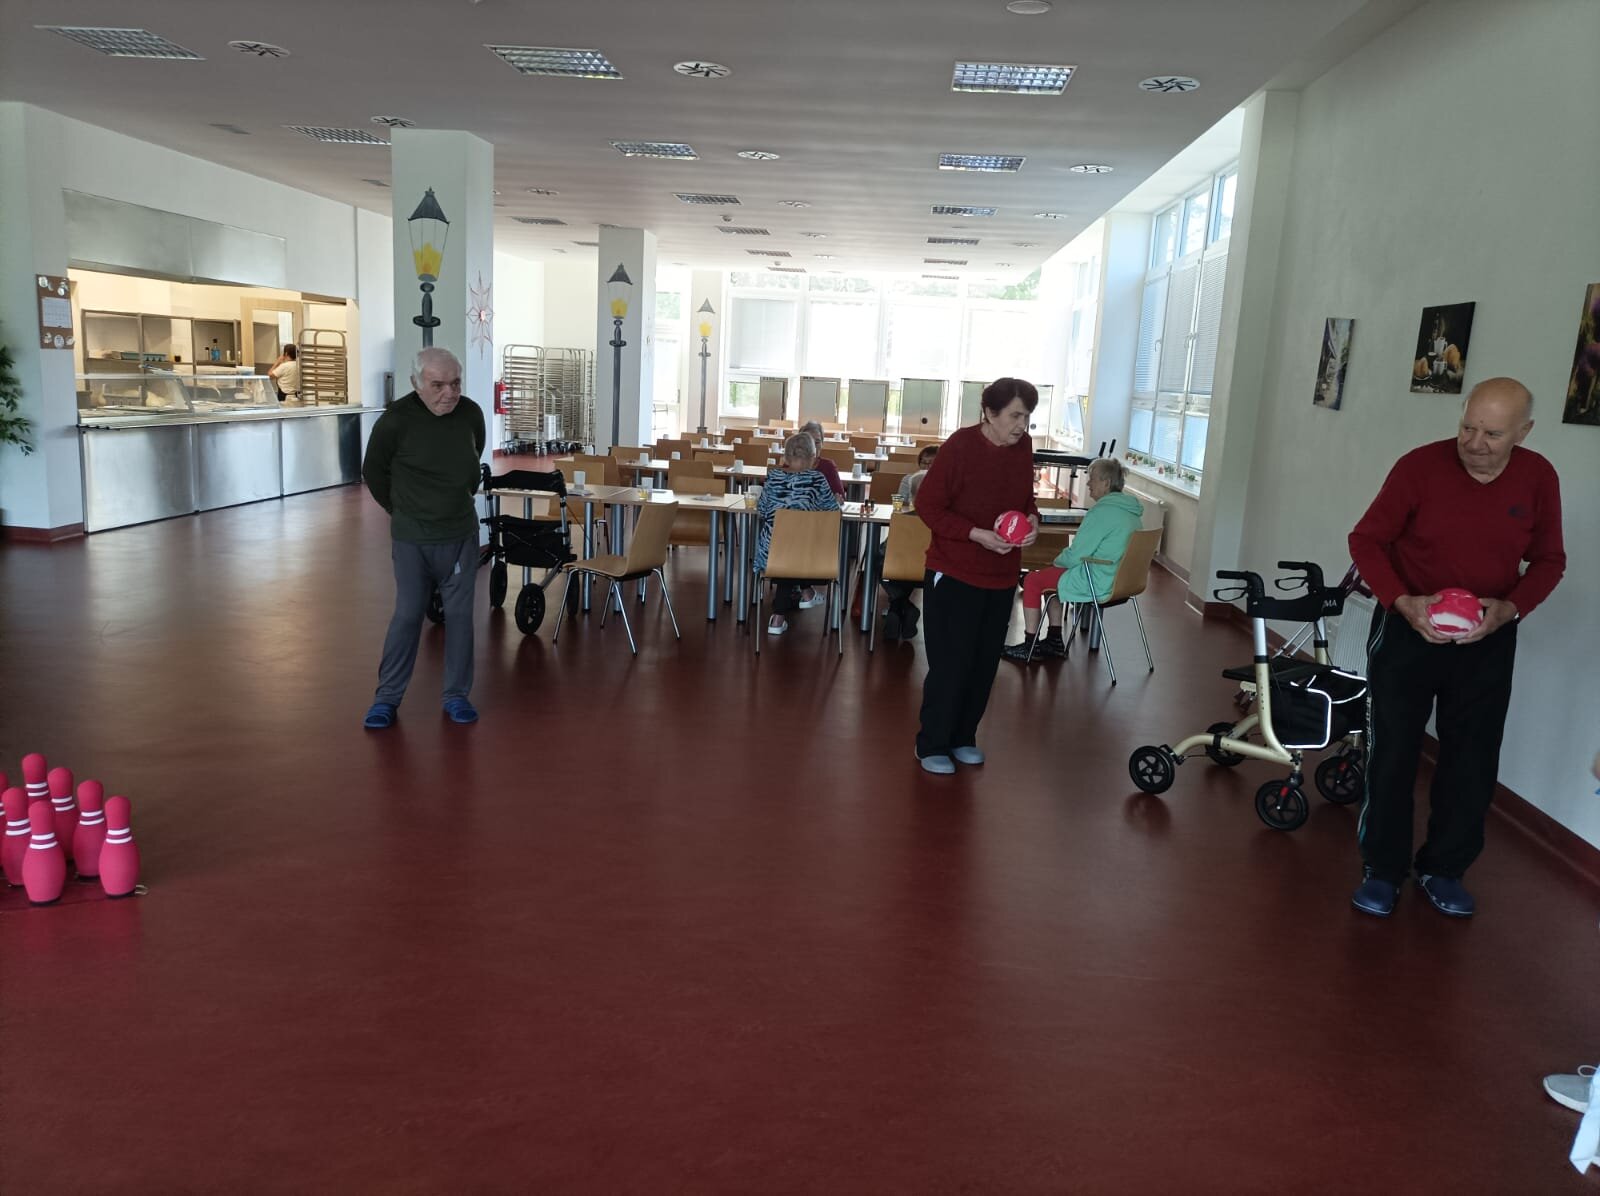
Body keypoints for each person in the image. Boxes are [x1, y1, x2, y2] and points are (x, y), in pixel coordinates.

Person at [1347, 376, 1565, 917]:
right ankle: (1382, 869)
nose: (1474, 443)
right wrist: (1402, 602)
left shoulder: (1538, 477)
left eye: (1492, 434)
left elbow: (1549, 560)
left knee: (1472, 759)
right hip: (1407, 629)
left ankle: (1444, 869)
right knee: (1391, 752)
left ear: (1523, 432)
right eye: (1468, 427)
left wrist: (1510, 609)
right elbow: (1366, 540)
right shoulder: (1419, 467)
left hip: (1487, 638)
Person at [913, 378, 1040, 775]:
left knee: (983, 664)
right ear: (989, 412)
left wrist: (1032, 519)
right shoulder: (960, 447)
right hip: (954, 571)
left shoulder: (1023, 448)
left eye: (1027, 417)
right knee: (951, 663)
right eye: (1015, 416)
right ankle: (932, 743)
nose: (1022, 425)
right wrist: (975, 534)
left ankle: (963, 737)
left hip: (1001, 575)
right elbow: (928, 505)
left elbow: (1026, 499)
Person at [360, 347, 487, 728]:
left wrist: (454, 498)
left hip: (460, 533)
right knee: (408, 614)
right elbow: (374, 471)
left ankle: (456, 695)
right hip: (412, 538)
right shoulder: (396, 421)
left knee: (460, 617)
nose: (449, 393)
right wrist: (401, 510)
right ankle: (386, 698)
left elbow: (473, 459)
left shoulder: (471, 414)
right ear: (416, 383)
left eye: (455, 384)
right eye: (438, 385)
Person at [1003, 457, 1144, 663]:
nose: (1088, 483)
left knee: (1033, 580)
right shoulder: (1132, 512)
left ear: (1106, 483)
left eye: (1092, 478)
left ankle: (1030, 646)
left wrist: (1055, 562)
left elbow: (1077, 554)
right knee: (1050, 578)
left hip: (1098, 579)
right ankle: (1054, 641)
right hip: (1122, 580)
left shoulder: (1102, 512)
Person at [755, 432, 840, 636]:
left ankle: (780, 615)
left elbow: (763, 510)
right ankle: (805, 593)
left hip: (772, 553)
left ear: (785, 456)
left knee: (787, 546)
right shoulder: (817, 479)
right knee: (797, 546)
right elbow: (832, 512)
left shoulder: (773, 477)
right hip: (808, 554)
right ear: (813, 457)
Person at [878, 468, 928, 641]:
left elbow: (885, 553)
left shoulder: (902, 519)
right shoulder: (941, 520)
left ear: (911, 496)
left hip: (898, 568)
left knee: (876, 559)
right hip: (930, 571)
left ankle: (899, 605)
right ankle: (902, 607)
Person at [800, 420, 848, 499]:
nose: (813, 446)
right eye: (809, 442)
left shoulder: (828, 466)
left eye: (817, 442)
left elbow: (840, 497)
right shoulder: (791, 464)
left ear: (822, 444)